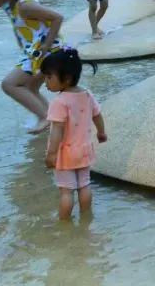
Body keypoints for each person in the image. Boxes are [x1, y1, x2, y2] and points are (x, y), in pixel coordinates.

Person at [0, 0, 63, 133]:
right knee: (29, 86)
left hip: (48, 51)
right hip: (37, 52)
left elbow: (58, 17)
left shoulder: (24, 7)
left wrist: (46, 45)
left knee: (8, 84)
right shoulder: (11, 3)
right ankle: (53, 119)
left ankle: (44, 116)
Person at [41, 48, 107, 220]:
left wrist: (52, 154)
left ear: (67, 78)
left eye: (49, 77)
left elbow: (57, 130)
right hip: (84, 150)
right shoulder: (87, 94)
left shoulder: (59, 102)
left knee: (66, 191)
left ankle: (64, 224)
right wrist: (101, 132)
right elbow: (97, 115)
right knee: (84, 185)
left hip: (65, 154)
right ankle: (86, 217)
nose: (45, 82)